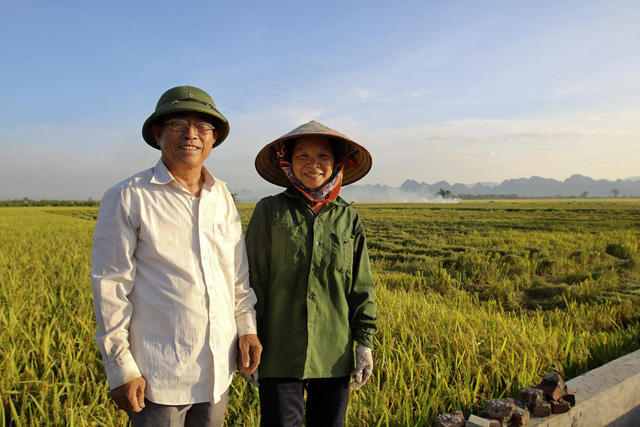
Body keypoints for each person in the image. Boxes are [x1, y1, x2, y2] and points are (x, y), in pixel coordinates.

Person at [91, 85, 262, 426]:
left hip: (217, 371)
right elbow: (111, 289)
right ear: (158, 133)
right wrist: (120, 367)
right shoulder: (128, 197)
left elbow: (236, 273)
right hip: (159, 376)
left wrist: (246, 327)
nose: (191, 135)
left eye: (202, 127)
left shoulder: (221, 195)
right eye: (178, 124)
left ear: (213, 139)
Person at [245, 120, 377, 426]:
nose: (312, 165)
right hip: (277, 349)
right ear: (287, 163)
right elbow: (251, 282)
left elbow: (361, 287)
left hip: (334, 353)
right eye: (302, 156)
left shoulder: (348, 218)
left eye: (323, 157)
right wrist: (247, 338)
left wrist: (365, 344)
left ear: (337, 164)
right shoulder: (269, 212)